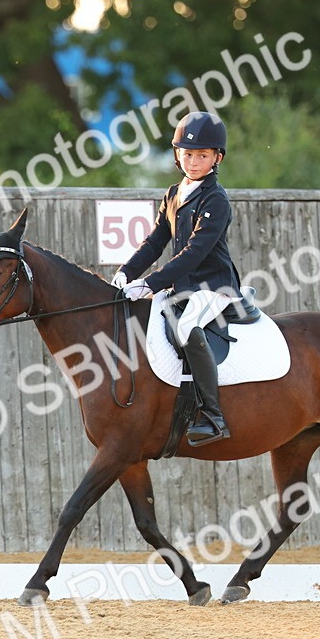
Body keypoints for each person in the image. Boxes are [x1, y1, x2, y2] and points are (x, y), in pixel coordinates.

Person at [111, 111, 240, 446]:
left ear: (217, 158)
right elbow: (155, 242)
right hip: (181, 288)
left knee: (186, 328)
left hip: (213, 286)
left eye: (202, 156)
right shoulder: (173, 193)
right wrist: (127, 272)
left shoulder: (216, 199)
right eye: (187, 154)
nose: (193, 162)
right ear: (177, 155)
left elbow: (195, 252)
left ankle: (213, 416)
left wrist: (149, 284)